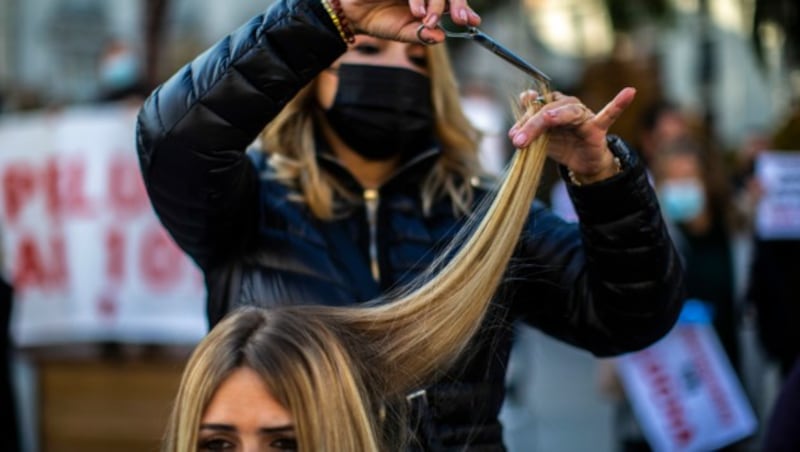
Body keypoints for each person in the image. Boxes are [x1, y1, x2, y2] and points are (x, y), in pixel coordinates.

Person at [136, 0, 685, 449]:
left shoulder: (486, 219)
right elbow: (173, 139)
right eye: (367, 50)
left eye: (417, 60)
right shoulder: (249, 206)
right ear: (314, 79)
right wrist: (326, 16)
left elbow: (632, 315)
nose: (395, 65)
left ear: (436, 84)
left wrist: (604, 180)